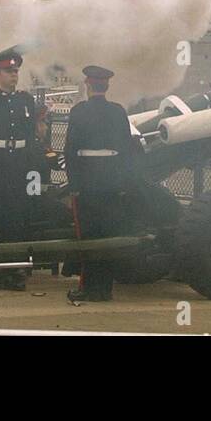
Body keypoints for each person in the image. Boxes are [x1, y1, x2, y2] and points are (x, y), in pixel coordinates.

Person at [64, 65, 141, 303]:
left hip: (87, 180)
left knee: (88, 237)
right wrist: (122, 182)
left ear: (87, 85)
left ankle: (88, 287)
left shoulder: (78, 111)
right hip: (110, 180)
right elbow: (127, 150)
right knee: (108, 235)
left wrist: (74, 183)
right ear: (106, 86)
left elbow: (70, 151)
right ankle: (105, 288)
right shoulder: (118, 112)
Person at [0, 52, 46, 291]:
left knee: (17, 218)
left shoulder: (26, 101)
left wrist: (34, 172)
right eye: (8, 71)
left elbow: (34, 138)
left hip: (20, 164)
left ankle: (15, 270)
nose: (13, 75)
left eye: (15, 71)